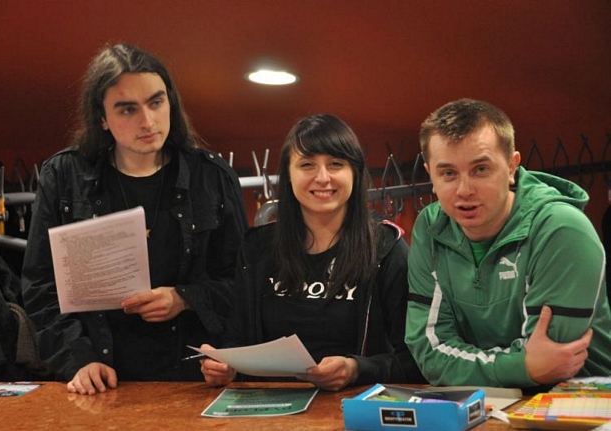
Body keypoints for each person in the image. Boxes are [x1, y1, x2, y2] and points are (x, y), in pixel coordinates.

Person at [21, 43, 248, 395]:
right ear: (101, 118)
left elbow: (243, 284)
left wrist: (185, 298)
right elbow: (40, 287)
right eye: (127, 109)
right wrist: (78, 359)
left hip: (193, 380)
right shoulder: (64, 177)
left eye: (156, 102)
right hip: (99, 381)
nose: (148, 121)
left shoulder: (212, 177)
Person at [200, 114, 425, 391]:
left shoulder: (386, 247)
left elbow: (415, 361)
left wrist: (356, 369)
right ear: (288, 174)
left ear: (355, 172)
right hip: (267, 404)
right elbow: (236, 339)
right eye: (307, 165)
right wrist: (224, 366)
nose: (322, 178)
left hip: (352, 404)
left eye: (336, 164)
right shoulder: (257, 247)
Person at [405, 98, 611, 389]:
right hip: (486, 402)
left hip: (584, 399)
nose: (464, 190)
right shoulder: (430, 225)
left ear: (512, 166)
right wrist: (521, 366)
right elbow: (429, 353)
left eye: (480, 169)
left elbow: (553, 362)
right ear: (431, 175)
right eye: (448, 173)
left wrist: (522, 367)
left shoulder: (562, 228)